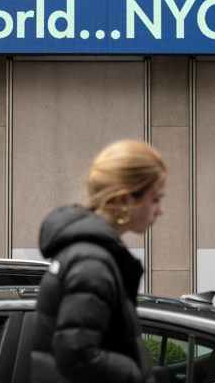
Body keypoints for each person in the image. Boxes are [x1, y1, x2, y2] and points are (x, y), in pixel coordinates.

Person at [30, 140, 166, 383]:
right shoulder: (93, 263)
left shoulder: (87, 253)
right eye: (155, 199)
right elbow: (77, 354)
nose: (160, 210)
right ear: (124, 199)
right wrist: (135, 375)